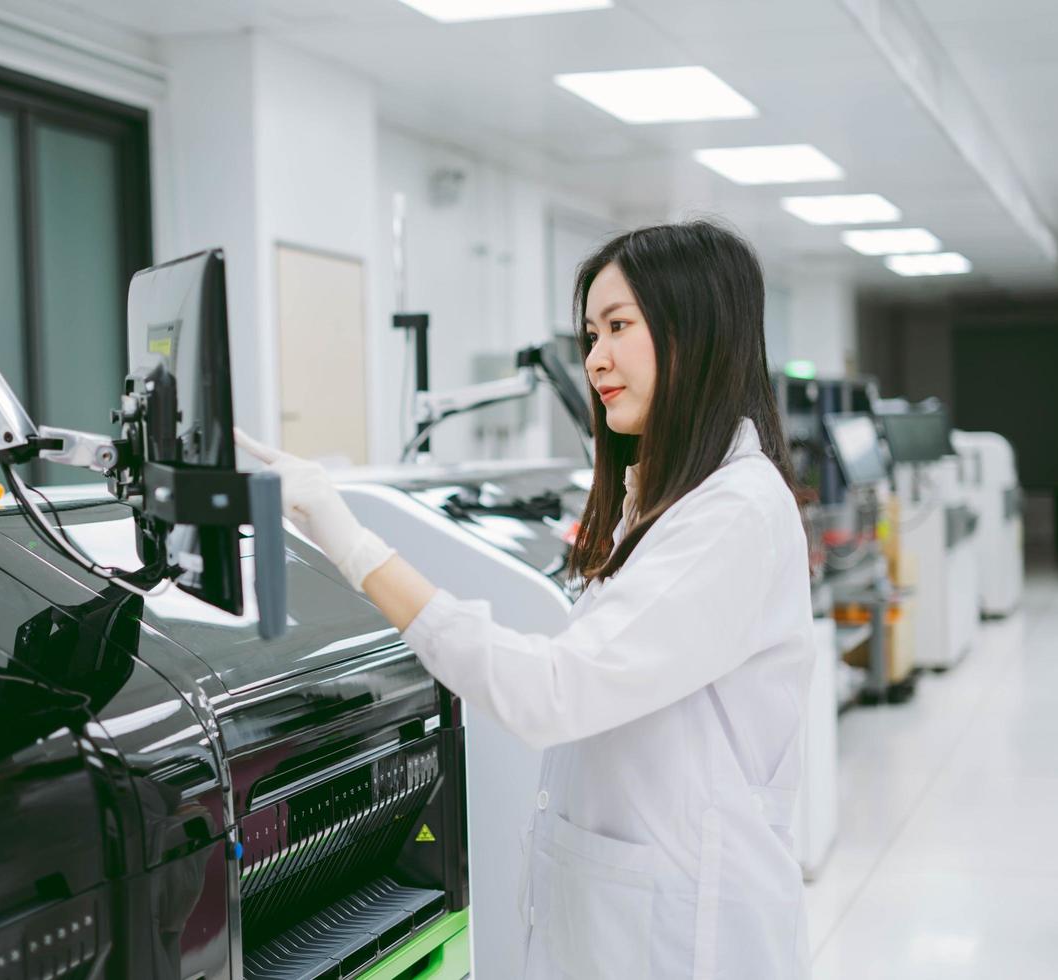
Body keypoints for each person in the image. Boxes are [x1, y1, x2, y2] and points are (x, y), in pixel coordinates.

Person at [236, 220, 814, 979]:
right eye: (590, 333)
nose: (596, 358)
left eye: (619, 326)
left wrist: (351, 543)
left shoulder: (731, 514)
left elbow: (553, 691)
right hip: (625, 919)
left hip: (684, 935)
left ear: (693, 330)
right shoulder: (674, 498)